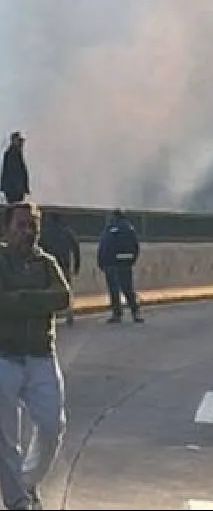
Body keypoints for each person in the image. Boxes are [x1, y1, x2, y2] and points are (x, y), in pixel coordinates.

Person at [0, 202, 70, 510]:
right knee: (6, 436)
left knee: (53, 425)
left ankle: (27, 482)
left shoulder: (46, 263)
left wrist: (21, 298)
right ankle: (17, 501)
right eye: (21, 225)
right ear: (6, 229)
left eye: (33, 227)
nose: (28, 232)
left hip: (42, 354)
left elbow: (62, 297)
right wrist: (37, 301)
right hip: (5, 356)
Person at [98, 210, 142, 324]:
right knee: (128, 289)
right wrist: (132, 260)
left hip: (111, 263)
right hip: (126, 263)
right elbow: (136, 247)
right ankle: (135, 312)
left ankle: (117, 314)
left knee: (114, 290)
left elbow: (104, 245)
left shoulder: (110, 228)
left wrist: (101, 262)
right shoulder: (129, 228)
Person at [38, 213, 81, 326]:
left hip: (47, 266)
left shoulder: (44, 233)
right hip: (64, 265)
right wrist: (76, 266)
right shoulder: (67, 232)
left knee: (48, 291)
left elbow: (38, 248)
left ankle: (51, 315)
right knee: (67, 290)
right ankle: (69, 314)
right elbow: (76, 249)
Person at [0, 133, 29, 205]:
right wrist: (20, 188)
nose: (21, 143)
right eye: (19, 141)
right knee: (14, 206)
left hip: (15, 189)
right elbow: (14, 173)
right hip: (13, 190)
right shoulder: (12, 154)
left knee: (15, 206)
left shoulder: (16, 153)